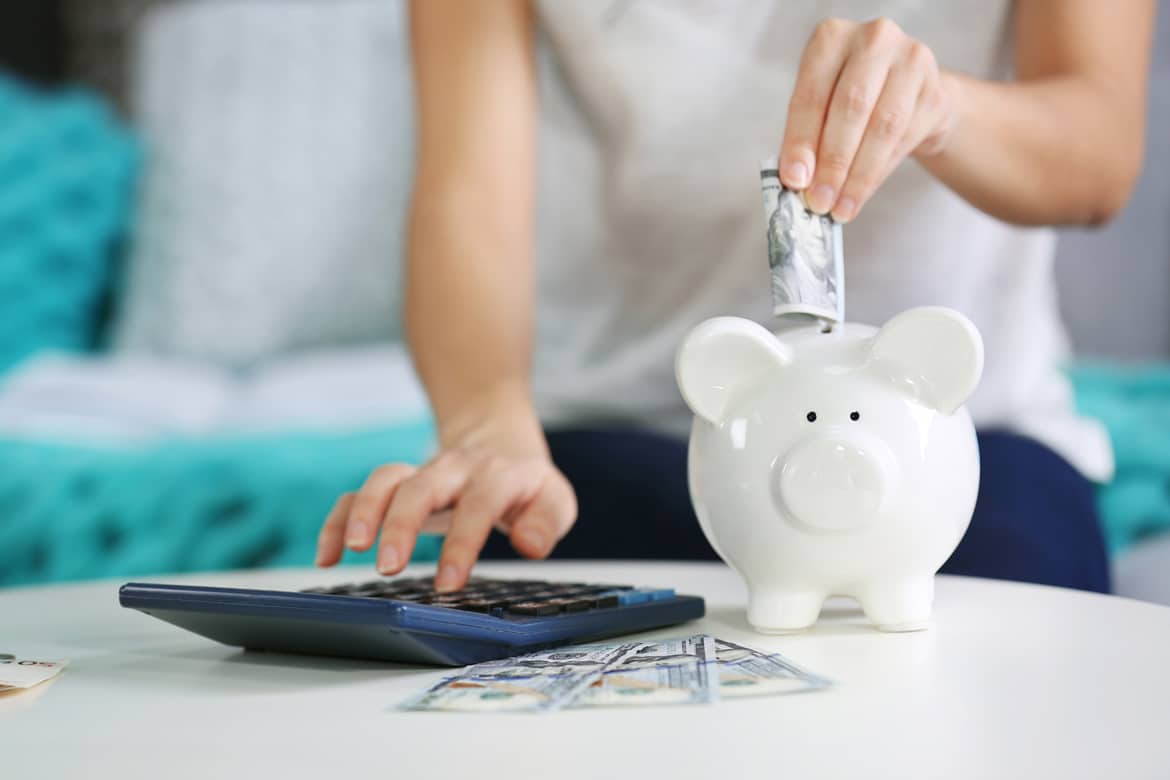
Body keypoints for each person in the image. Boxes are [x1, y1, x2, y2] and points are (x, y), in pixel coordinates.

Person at [315, 1, 1155, 594]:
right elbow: (469, 195)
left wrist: (946, 111)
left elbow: (1098, 156)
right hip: (613, 434)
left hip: (962, 438)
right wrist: (486, 428)